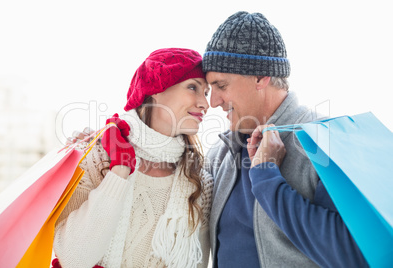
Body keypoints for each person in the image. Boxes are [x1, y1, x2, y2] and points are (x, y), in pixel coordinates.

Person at [202, 11, 368, 267]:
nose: (213, 102)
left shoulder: (328, 140)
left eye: (221, 86)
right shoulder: (220, 154)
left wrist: (267, 177)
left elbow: (351, 255)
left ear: (261, 77)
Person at [52, 48, 213, 268]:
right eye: (193, 87)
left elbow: (198, 263)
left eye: (206, 92)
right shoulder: (95, 157)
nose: (205, 103)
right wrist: (118, 173)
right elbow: (73, 259)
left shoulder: (199, 183)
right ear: (156, 88)